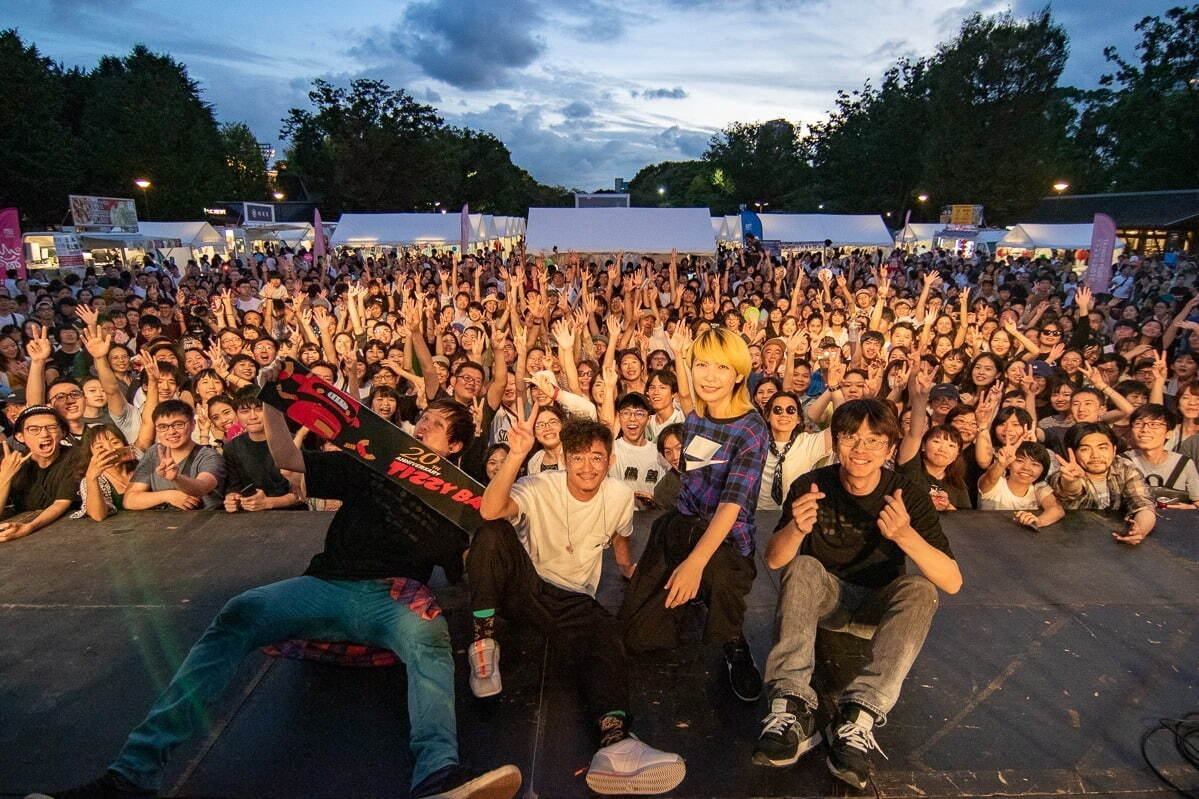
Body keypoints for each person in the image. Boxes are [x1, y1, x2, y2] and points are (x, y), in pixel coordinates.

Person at [29, 388, 524, 799]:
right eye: (423, 419)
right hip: (324, 585)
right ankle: (132, 775)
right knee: (240, 612)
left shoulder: (457, 502)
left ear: (454, 447)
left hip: (392, 600)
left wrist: (515, 459)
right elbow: (287, 457)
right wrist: (274, 400)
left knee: (430, 641)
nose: (421, 427)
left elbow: (483, 542)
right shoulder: (372, 466)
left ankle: (438, 776)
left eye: (435, 425)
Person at [470, 412, 685, 795]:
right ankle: (483, 643)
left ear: (610, 461)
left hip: (573, 600)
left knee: (606, 636)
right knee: (490, 531)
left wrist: (625, 565)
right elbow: (490, 510)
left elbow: (622, 533)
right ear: (566, 459)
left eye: (597, 458)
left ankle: (616, 744)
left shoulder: (619, 495)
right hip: (525, 586)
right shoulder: (539, 485)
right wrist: (517, 455)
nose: (588, 467)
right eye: (579, 457)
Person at [755, 399, 961, 789]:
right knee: (802, 566)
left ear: (888, 448)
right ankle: (791, 706)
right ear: (835, 443)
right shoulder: (811, 486)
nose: (861, 450)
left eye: (873, 441)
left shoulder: (907, 494)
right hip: (827, 602)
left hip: (876, 609)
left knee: (921, 589)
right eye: (851, 438)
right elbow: (775, 560)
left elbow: (951, 581)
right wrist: (796, 529)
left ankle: (859, 715)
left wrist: (905, 535)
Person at [619, 327, 770, 703]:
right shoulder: (697, 413)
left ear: (738, 373)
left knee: (718, 585)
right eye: (702, 365)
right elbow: (687, 395)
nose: (709, 375)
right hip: (680, 526)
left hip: (727, 542)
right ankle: (691, 597)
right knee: (636, 634)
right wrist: (682, 355)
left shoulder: (751, 429)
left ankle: (734, 643)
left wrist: (694, 564)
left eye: (721, 366)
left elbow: (730, 506)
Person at [1049, 422, 1157, 545]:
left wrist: (1140, 530)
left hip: (1113, 542)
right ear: (1072, 452)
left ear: (1114, 449)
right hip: (1071, 541)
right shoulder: (1064, 473)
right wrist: (1071, 481)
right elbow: (1069, 491)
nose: (1095, 455)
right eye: (1085, 449)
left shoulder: (1125, 468)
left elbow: (1144, 505)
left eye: (1102, 448)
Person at [123, 400, 226, 511]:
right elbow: (129, 500)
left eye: (178, 425)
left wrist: (176, 478)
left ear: (192, 425)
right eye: (163, 427)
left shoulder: (209, 456)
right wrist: (168, 496)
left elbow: (202, 487)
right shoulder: (154, 452)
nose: (171, 432)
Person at [0, 405, 82, 542]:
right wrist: (5, 477)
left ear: (62, 432)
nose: (44, 434)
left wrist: (29, 527)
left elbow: (61, 503)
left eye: (51, 427)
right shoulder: (13, 462)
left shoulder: (75, 456)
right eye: (34, 429)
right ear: (20, 436)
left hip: (69, 533)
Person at [221, 389, 302, 512]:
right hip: (252, 517)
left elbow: (301, 493)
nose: (253, 416)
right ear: (236, 415)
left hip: (293, 515)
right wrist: (233, 498)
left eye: (259, 409)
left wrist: (267, 503)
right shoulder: (231, 447)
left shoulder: (292, 442)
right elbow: (234, 486)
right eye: (245, 411)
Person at [1120, 404, 1199, 508]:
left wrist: (1190, 507)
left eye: (1154, 425)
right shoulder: (1122, 461)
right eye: (1138, 424)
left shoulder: (1184, 463)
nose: (1145, 429)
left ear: (1169, 433)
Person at [977, 439, 1064, 529]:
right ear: (1009, 464)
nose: (1026, 468)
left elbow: (1056, 509)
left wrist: (1038, 521)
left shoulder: (1039, 488)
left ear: (1043, 470)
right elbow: (989, 479)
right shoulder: (996, 484)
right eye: (1019, 461)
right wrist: (1000, 464)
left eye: (1035, 464)